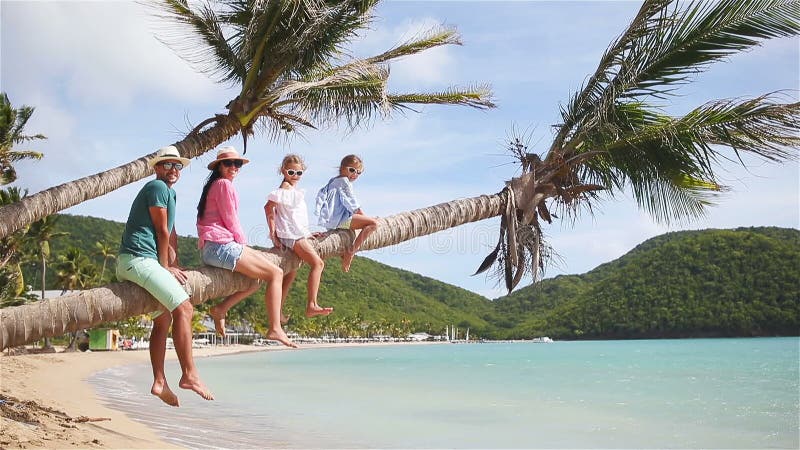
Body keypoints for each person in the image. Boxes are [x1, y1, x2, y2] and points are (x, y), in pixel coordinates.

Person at [116, 145, 212, 407]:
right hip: (137, 259)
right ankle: (189, 375)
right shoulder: (157, 188)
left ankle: (159, 382)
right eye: (167, 165)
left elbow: (171, 233)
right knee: (185, 308)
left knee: (164, 319)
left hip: (143, 262)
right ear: (157, 168)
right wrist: (164, 267)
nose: (173, 170)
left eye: (177, 165)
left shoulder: (170, 193)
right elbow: (161, 231)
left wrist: (175, 263)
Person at [196, 146, 296, 348]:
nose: (234, 167)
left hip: (215, 247)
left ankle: (221, 309)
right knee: (275, 273)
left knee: (255, 282)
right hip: (220, 246)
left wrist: (245, 249)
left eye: (237, 163)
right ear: (219, 167)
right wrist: (244, 247)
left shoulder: (216, 185)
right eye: (228, 163)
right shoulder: (223, 184)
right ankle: (275, 327)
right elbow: (231, 220)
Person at [265, 154, 333, 320]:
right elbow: (268, 208)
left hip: (296, 233)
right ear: (283, 170)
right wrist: (273, 234)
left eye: (299, 173)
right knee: (318, 263)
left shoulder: (291, 190)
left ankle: (278, 312)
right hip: (291, 235)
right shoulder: (284, 189)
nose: (295, 176)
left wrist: (307, 234)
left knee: (291, 273)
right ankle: (311, 305)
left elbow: (294, 217)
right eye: (291, 172)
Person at [315, 154, 378, 272]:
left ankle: (346, 253)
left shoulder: (333, 181)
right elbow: (353, 204)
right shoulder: (344, 182)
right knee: (373, 224)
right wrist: (366, 218)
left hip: (334, 221)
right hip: (341, 220)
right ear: (342, 168)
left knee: (366, 222)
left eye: (359, 172)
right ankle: (351, 252)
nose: (355, 174)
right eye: (352, 170)